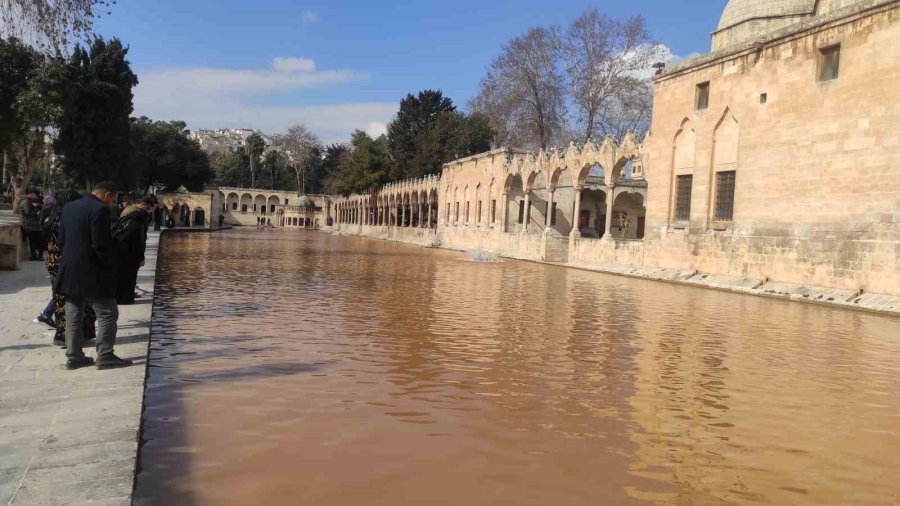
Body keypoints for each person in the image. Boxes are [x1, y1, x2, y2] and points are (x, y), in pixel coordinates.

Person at [56, 181, 131, 370]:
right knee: (107, 313)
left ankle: (73, 356)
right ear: (107, 195)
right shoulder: (100, 210)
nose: (112, 203)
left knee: (73, 313)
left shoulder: (69, 207)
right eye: (112, 199)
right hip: (92, 271)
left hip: (70, 269)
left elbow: (62, 239)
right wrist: (109, 267)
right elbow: (100, 244)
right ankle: (105, 355)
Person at [44, 190, 97, 346]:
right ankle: (77, 334)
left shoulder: (54, 216)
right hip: (69, 262)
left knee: (60, 298)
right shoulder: (67, 216)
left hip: (55, 262)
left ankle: (61, 333)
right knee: (78, 299)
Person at [112, 195, 155, 304]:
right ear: (143, 205)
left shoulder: (130, 213)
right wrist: (140, 257)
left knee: (121, 276)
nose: (149, 212)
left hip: (120, 249)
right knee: (129, 277)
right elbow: (138, 240)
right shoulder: (139, 217)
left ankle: (119, 298)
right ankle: (125, 299)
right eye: (148, 209)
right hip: (130, 252)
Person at [19, 189, 43, 260]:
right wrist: (36, 208)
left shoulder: (31, 202)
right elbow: (28, 213)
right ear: (31, 194)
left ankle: (37, 254)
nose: (36, 197)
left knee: (39, 237)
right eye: (35, 195)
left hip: (33, 224)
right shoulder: (26, 202)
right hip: (28, 224)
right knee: (34, 237)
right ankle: (33, 255)